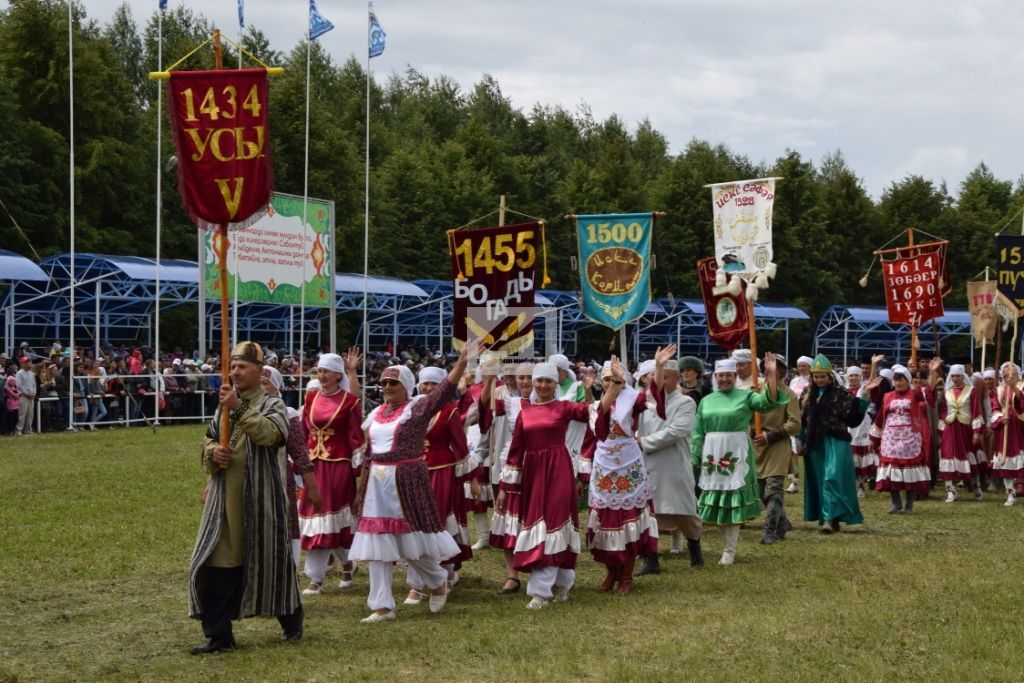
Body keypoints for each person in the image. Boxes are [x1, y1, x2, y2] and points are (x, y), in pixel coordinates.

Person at [349, 340, 481, 623]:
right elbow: (369, 451)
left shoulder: (417, 408)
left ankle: (436, 582)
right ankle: (383, 605)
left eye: (392, 384)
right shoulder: (376, 414)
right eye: (383, 384)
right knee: (376, 542)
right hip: (377, 484)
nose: (386, 388)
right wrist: (362, 488)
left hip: (405, 481)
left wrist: (461, 364)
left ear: (405, 386)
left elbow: (443, 392)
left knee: (412, 541)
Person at [187, 341, 303, 655]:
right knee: (218, 563)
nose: (236, 372)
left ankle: (292, 623)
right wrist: (215, 453)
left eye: (243, 367)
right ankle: (219, 637)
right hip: (225, 500)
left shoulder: (273, 404)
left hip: (262, 501)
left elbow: (270, 435)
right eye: (233, 367)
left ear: (259, 371)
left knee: (271, 562)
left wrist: (238, 406)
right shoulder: (223, 406)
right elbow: (208, 442)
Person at [492, 361, 594, 609]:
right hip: (533, 473)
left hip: (558, 469)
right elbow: (516, 452)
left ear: (556, 383)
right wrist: (505, 488)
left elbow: (594, 413)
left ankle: (540, 591)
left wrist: (595, 390)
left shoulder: (563, 407)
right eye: (539, 380)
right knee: (538, 522)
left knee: (556, 521)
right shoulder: (524, 412)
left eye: (548, 381)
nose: (543, 385)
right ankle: (562, 582)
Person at [583, 349, 672, 595]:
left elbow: (655, 398)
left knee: (627, 520)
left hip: (629, 466)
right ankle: (611, 571)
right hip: (604, 466)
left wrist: (659, 367)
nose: (611, 384)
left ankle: (627, 575)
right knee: (605, 520)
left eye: (616, 379)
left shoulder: (633, 399)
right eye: (607, 380)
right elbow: (599, 432)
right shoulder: (595, 406)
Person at [690, 354, 786, 565]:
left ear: (735, 376)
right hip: (712, 453)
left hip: (736, 451)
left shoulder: (745, 396)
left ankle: (729, 549)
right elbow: (697, 432)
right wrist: (694, 456)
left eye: (729, 375)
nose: (725, 379)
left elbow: (768, 402)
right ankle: (727, 544)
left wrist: (770, 375)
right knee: (716, 501)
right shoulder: (706, 400)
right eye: (721, 375)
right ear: (715, 376)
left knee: (732, 499)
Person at [403, 366, 477, 605]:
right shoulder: (410, 409)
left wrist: (472, 478)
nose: (428, 389)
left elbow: (461, 446)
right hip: (414, 473)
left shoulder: (449, 411)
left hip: (442, 473)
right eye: (425, 384)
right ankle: (419, 582)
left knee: (438, 524)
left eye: (434, 384)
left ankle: (441, 573)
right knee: (414, 524)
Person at [298, 350, 363, 596]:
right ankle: (346, 563)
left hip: (338, 466)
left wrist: (356, 468)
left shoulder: (349, 402)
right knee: (317, 518)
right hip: (315, 465)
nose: (322, 375)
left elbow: (356, 436)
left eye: (326, 371)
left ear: (338, 374)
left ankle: (315, 578)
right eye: (320, 371)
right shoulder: (311, 397)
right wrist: (301, 461)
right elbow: (304, 432)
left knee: (329, 518)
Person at [636, 358, 705, 574]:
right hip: (647, 463)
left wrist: (644, 442)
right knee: (648, 512)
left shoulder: (685, 402)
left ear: (676, 378)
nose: (659, 381)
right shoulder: (644, 402)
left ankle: (695, 549)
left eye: (665, 376)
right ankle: (651, 559)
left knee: (684, 511)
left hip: (673, 463)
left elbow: (676, 431)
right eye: (656, 376)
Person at [800, 354, 873, 533]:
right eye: (816, 377)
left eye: (822, 376)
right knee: (820, 479)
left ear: (829, 376)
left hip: (835, 441)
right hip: (815, 443)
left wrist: (864, 398)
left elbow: (853, 418)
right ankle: (830, 517)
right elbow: (803, 419)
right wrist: (800, 439)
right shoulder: (807, 394)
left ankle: (829, 519)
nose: (819, 380)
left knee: (831, 477)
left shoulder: (841, 393)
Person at [870, 361, 941, 513]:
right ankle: (896, 502)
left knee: (910, 472)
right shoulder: (887, 396)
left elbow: (930, 396)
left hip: (910, 438)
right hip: (891, 438)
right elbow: (880, 416)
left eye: (901, 379)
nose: (898, 382)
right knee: (892, 471)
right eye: (895, 379)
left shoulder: (915, 394)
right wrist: (874, 438)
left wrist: (933, 372)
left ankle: (909, 504)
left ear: (908, 381)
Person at [753, 355, 801, 544]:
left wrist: (770, 435)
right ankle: (782, 522)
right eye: (766, 367)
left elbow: (795, 424)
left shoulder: (788, 394)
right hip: (756, 446)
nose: (769, 371)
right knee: (759, 491)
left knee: (773, 490)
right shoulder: (756, 391)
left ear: (782, 371)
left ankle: (770, 530)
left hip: (777, 446)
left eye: (774, 368)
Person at [937, 364, 986, 502]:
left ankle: (977, 487)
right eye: (952, 376)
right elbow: (943, 412)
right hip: (950, 428)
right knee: (947, 457)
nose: (955, 378)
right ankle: (950, 491)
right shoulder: (947, 392)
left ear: (963, 376)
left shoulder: (972, 391)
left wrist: (977, 432)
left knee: (969, 457)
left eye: (958, 375)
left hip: (966, 429)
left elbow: (976, 411)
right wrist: (941, 432)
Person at [991, 362, 1024, 506]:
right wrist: (999, 419)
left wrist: (1014, 387)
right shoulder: (998, 390)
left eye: (1011, 375)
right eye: (1005, 376)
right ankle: (1010, 493)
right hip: (1005, 428)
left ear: (1017, 374)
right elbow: (995, 408)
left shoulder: (1022, 387)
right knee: (1005, 461)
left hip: (1020, 426)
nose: (1008, 378)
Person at [15, 356, 36, 435]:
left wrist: (34, 393)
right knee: (22, 413)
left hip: (31, 396)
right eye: (25, 362)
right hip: (23, 396)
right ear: (22, 364)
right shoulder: (19, 373)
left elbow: (34, 385)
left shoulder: (32, 374)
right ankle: (18, 430)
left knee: (30, 414)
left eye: (28, 362)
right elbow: (19, 386)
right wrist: (27, 394)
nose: (27, 363)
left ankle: (28, 429)